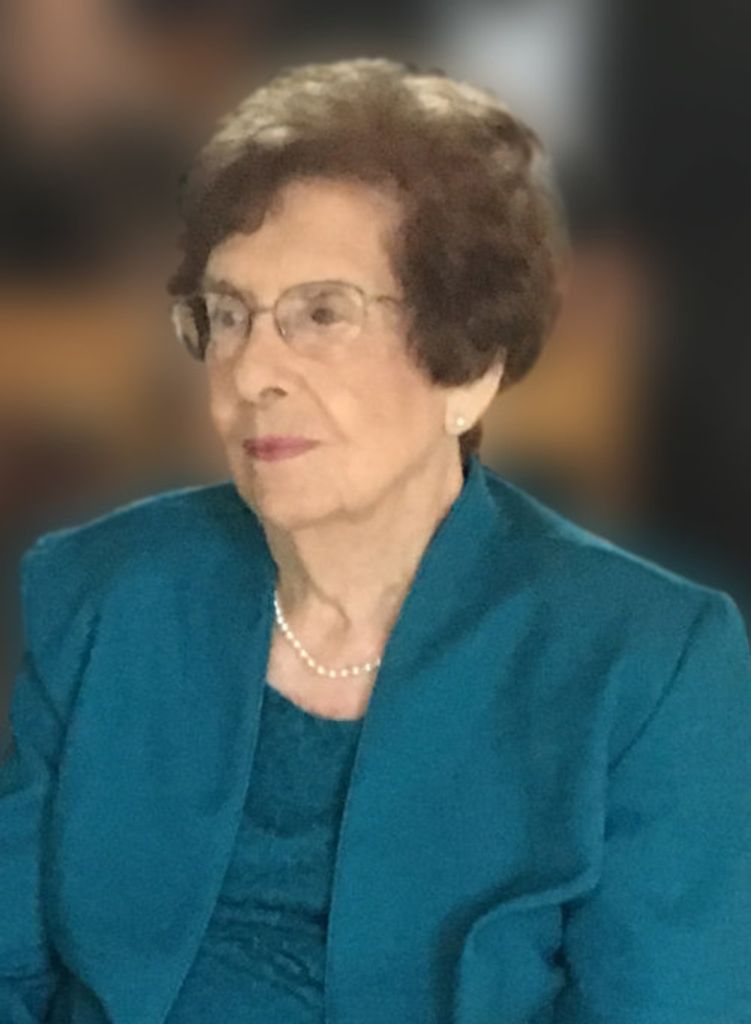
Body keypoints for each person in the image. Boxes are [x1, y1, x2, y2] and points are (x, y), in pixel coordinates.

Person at [2, 57, 750, 1024]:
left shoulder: (646, 662)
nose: (252, 372)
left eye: (321, 313)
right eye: (228, 316)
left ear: (467, 366)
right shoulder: (101, 589)